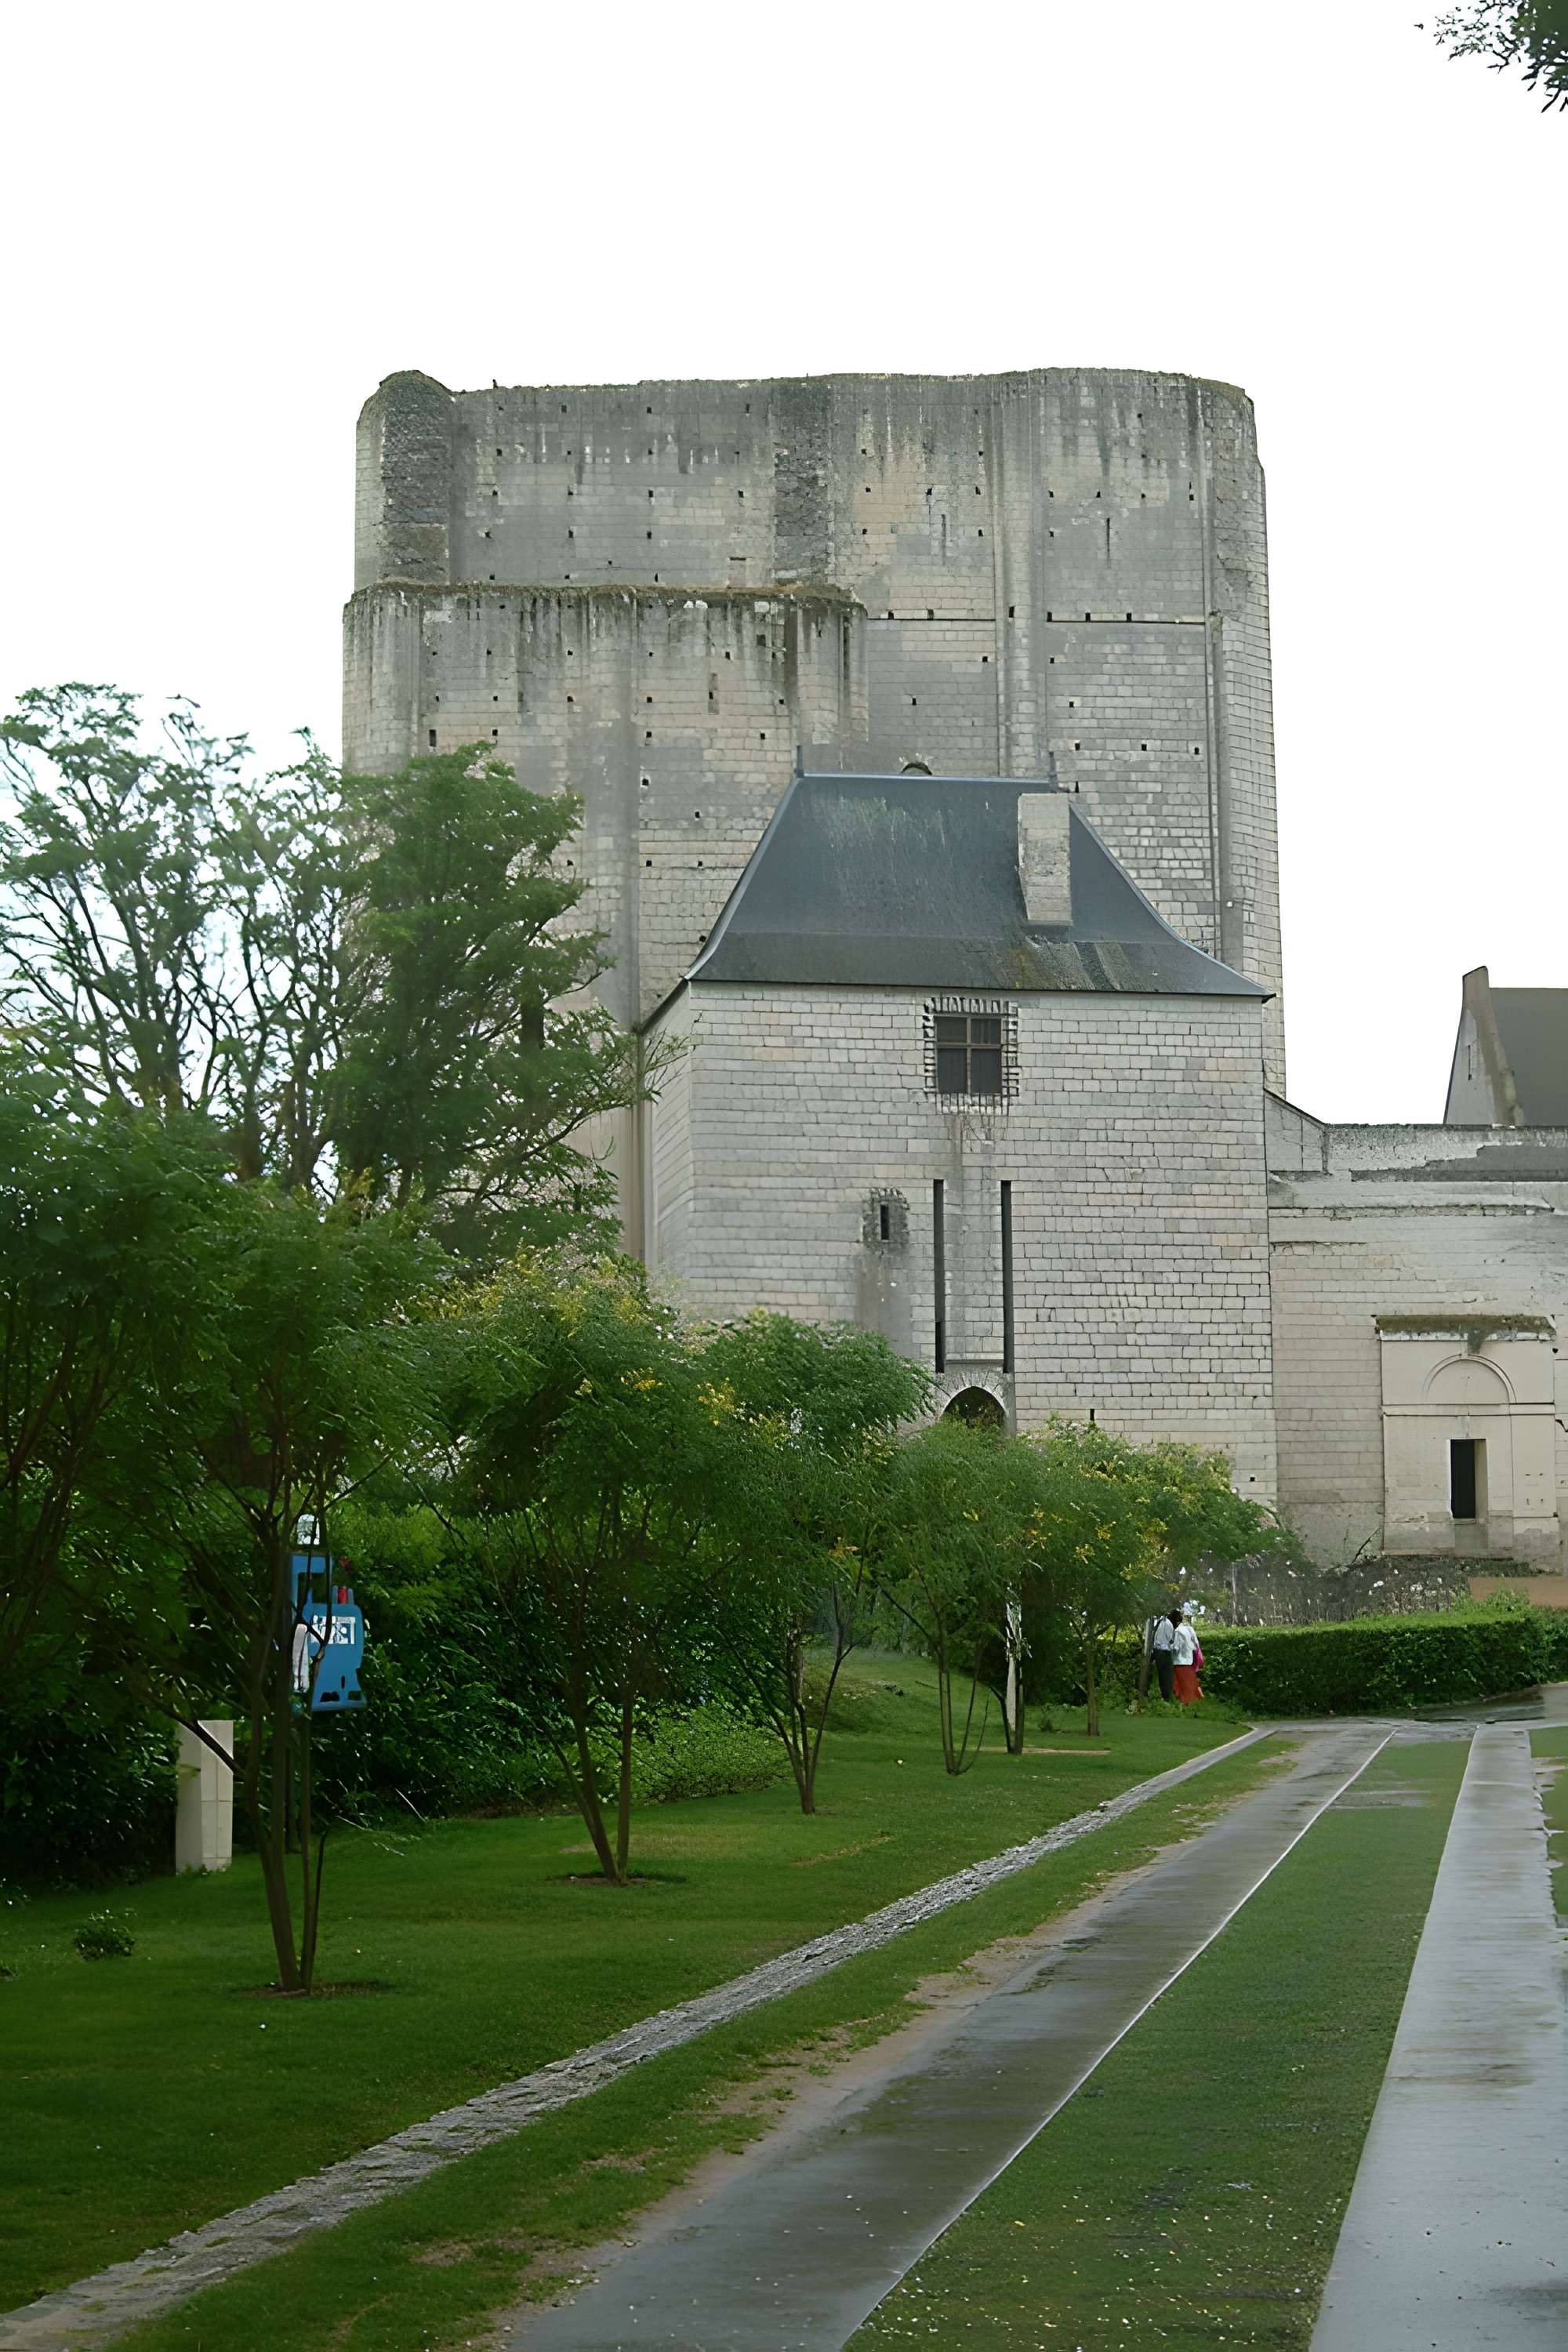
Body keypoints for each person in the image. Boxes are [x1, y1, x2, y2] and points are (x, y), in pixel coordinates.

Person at [1171, 1608, 1203, 1705]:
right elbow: (1196, 1643)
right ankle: (1193, 1700)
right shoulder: (1189, 1628)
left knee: (1180, 1683)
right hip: (1189, 1659)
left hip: (1179, 1661)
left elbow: (1176, 1647)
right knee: (1190, 1682)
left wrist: (1169, 1647)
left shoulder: (1177, 1631)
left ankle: (1183, 1700)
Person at [1149, 1607, 1178, 1701]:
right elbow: (1172, 1639)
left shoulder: (1156, 1623)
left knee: (1161, 1675)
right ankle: (1166, 1697)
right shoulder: (1168, 1624)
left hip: (1157, 1650)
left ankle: (1163, 1695)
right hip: (1165, 1651)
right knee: (1167, 1675)